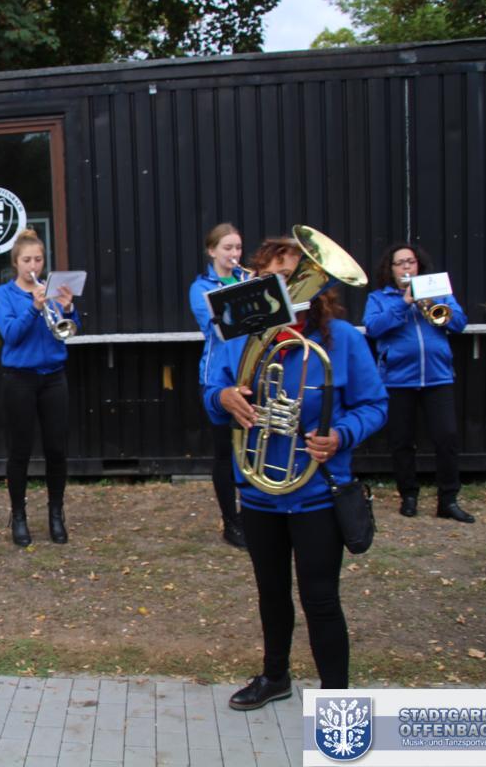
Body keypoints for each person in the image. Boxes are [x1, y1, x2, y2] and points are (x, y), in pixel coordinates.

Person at [204, 237, 387, 708]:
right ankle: (275, 677)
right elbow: (213, 394)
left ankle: (336, 701)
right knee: (271, 594)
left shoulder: (342, 338)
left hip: (316, 493)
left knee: (321, 600)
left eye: (289, 277)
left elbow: (374, 405)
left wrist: (340, 435)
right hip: (260, 492)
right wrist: (222, 398)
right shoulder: (240, 336)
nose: (281, 288)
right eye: (271, 278)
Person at [363, 243, 473, 523]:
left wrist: (435, 305)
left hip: (438, 377)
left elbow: (459, 323)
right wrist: (404, 303)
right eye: (400, 263)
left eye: (410, 262)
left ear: (418, 265)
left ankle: (448, 500)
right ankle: (409, 496)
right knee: (401, 441)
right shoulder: (379, 298)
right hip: (397, 380)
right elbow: (373, 328)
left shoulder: (439, 292)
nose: (406, 267)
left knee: (447, 438)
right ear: (391, 269)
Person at [0, 228, 81, 546]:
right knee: (20, 452)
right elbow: (11, 335)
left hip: (54, 377)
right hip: (19, 380)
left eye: (38, 260)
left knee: (57, 450)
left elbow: (67, 331)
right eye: (27, 260)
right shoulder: (4, 295)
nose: (33, 265)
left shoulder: (51, 290)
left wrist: (68, 309)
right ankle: (18, 516)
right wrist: (33, 308)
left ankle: (56, 515)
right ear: (16, 262)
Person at [188, 223, 248, 548]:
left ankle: (253, 515)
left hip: (250, 373)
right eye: (227, 248)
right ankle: (231, 522)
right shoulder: (200, 288)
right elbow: (218, 328)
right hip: (218, 376)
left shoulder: (247, 279)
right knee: (225, 453)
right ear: (212, 251)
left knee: (252, 449)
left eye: (238, 247)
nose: (234, 254)